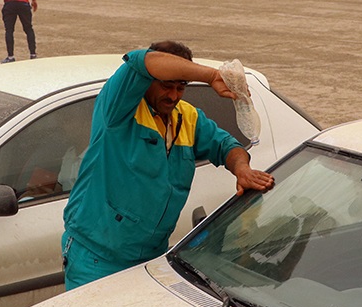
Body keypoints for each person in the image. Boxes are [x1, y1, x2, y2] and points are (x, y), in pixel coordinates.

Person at [60, 41, 276, 289]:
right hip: (97, 259)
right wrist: (213, 76)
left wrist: (242, 169)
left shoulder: (188, 117)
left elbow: (226, 145)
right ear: (148, 79)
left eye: (181, 87)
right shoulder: (120, 108)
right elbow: (143, 60)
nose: (173, 95)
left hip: (151, 259)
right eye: (166, 85)